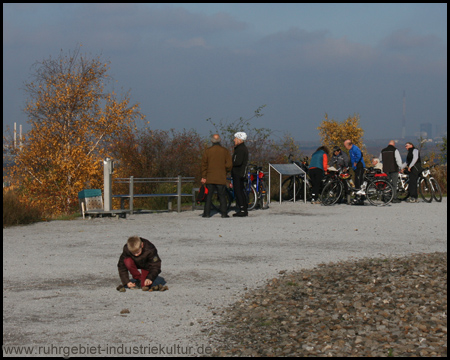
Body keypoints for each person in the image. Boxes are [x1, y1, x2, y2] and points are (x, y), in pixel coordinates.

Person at [201, 134, 233, 218]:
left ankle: (206, 213)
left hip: (210, 177)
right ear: (220, 140)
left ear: (212, 141)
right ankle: (224, 213)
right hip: (221, 177)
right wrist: (225, 171)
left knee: (208, 196)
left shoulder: (207, 151)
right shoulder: (225, 151)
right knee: (222, 196)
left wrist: (204, 176)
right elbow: (229, 164)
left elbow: (204, 165)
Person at [231, 132, 249, 217]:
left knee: (238, 191)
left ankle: (242, 209)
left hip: (238, 172)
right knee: (240, 190)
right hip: (240, 172)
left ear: (239, 139)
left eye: (235, 138)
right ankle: (243, 207)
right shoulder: (241, 148)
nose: (234, 140)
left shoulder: (240, 149)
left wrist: (230, 164)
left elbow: (238, 162)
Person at [344, 139, 366, 204]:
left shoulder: (355, 148)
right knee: (356, 182)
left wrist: (356, 162)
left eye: (345, 145)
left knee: (359, 182)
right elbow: (351, 160)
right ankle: (358, 196)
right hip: (355, 167)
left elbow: (359, 155)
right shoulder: (351, 150)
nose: (345, 147)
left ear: (348, 145)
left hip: (359, 166)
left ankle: (360, 197)